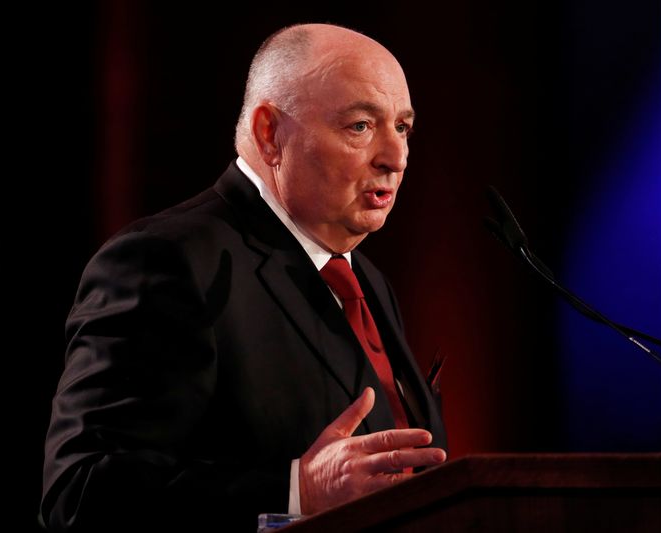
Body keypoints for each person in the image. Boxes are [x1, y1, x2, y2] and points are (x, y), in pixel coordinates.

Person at [41, 23, 448, 532]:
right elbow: (80, 495)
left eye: (403, 127)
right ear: (269, 134)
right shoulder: (166, 261)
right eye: (361, 126)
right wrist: (299, 490)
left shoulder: (367, 281)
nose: (395, 158)